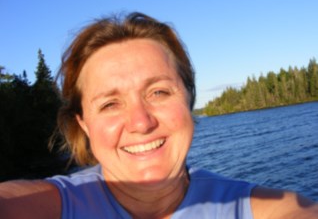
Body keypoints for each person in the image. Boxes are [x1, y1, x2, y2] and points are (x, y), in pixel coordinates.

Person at [0, 12, 317, 219]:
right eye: (110, 103)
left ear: (188, 100)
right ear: (83, 123)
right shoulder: (47, 207)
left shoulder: (264, 210)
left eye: (159, 92)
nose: (141, 122)